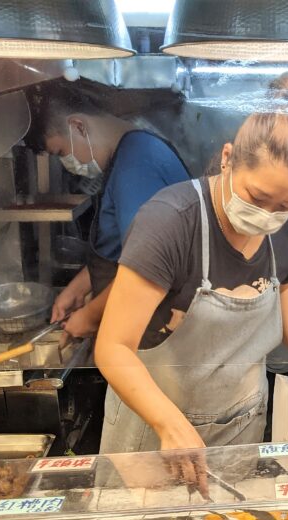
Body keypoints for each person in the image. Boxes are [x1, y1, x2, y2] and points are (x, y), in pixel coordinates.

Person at [94, 75, 288, 454]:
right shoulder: (170, 221)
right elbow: (112, 347)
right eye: (257, 197)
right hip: (154, 431)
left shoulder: (282, 224)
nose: (268, 215)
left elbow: (282, 286)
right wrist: (168, 425)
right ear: (227, 158)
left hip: (239, 428)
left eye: (285, 205)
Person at [26, 83, 189, 343]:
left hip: (156, 329)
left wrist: (89, 316)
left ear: (78, 126)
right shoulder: (134, 151)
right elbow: (123, 251)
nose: (67, 163)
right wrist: (80, 286)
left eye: (61, 152)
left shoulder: (137, 167)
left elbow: (145, 270)